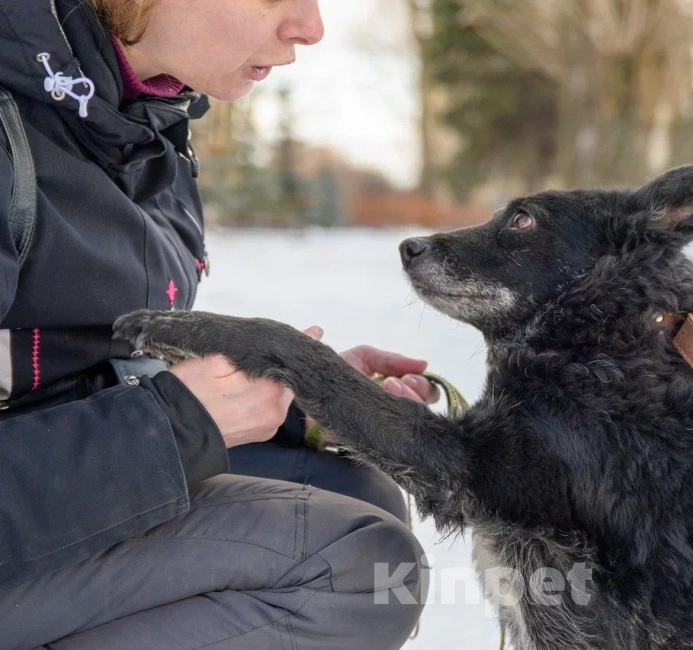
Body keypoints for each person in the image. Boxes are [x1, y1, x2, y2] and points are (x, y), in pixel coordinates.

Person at [0, 1, 434, 648]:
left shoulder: (133, 121)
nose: (310, 27)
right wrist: (172, 424)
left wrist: (287, 396)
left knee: (358, 492)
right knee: (359, 563)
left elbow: (73, 355)